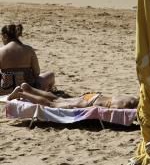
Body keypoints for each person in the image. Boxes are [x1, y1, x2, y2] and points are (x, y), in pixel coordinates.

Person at [1, 23, 55, 94]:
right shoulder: (28, 49)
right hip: (28, 90)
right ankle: (48, 92)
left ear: (5, 36)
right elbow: (37, 73)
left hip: (6, 90)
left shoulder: (1, 51)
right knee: (51, 75)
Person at [7, 83, 137, 109]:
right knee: (53, 104)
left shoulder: (132, 98)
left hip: (93, 96)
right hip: (89, 103)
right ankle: (21, 93)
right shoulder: (128, 105)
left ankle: (28, 88)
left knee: (59, 99)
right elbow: (109, 109)